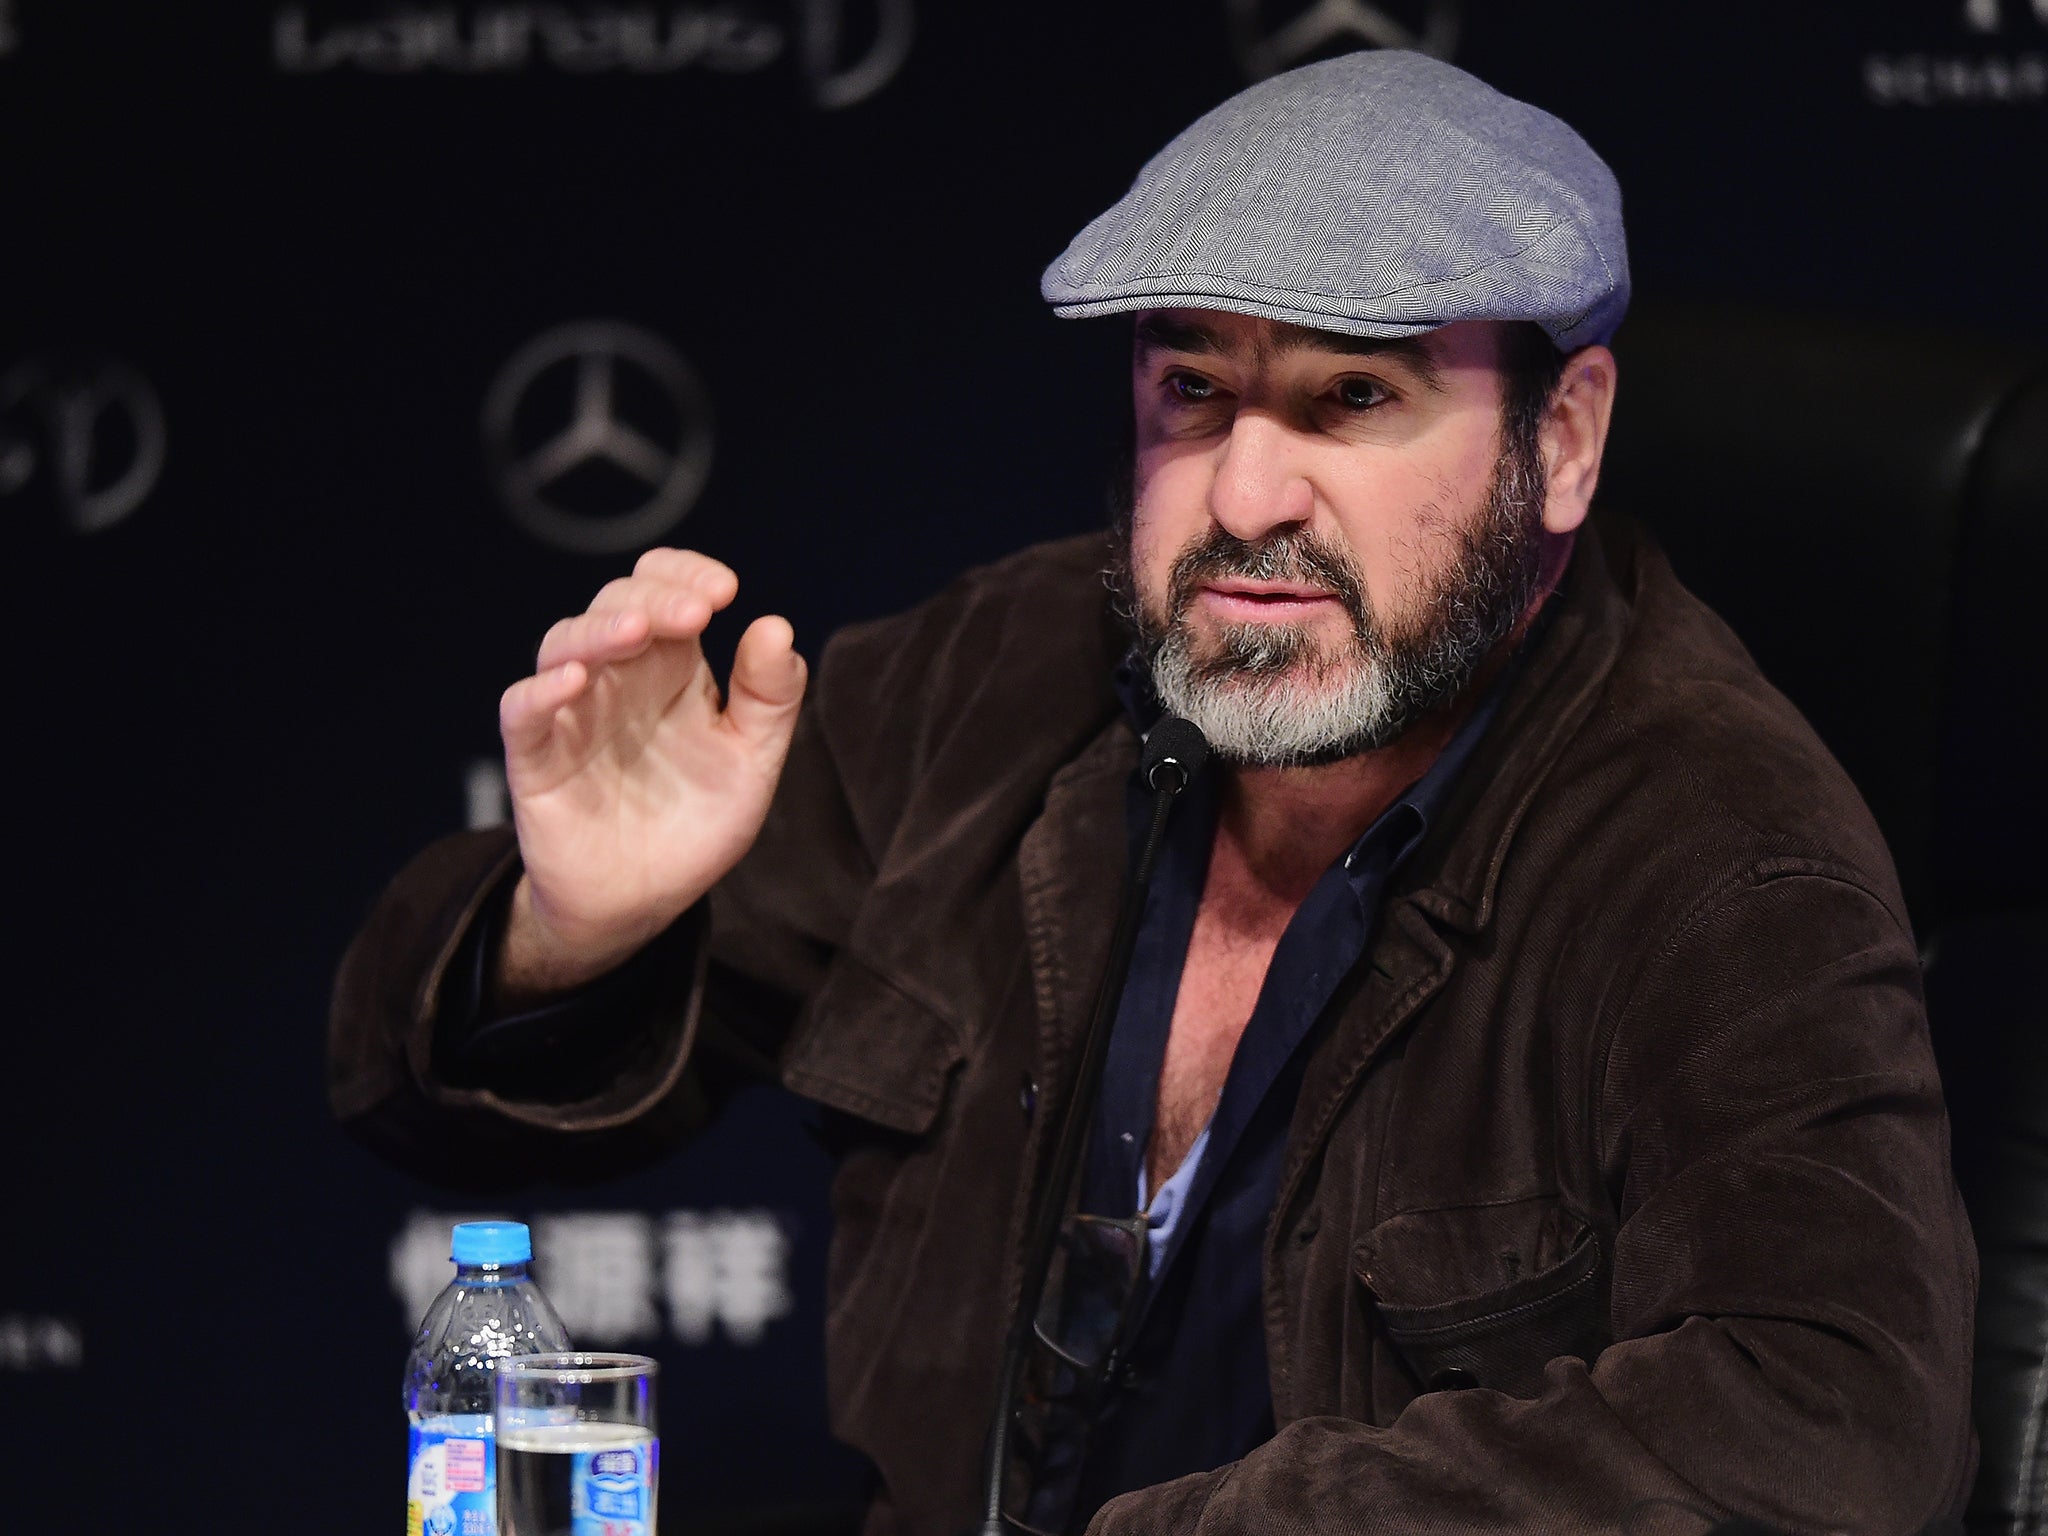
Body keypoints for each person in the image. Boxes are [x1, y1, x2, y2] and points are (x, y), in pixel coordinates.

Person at [330, 50, 1975, 1535]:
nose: (1249, 493)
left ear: (1564, 441)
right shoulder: (1001, 678)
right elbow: (410, 1094)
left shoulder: (1722, 849)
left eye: (1354, 396)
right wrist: (567, 932)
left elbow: (1834, 1415)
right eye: (1194, 391)